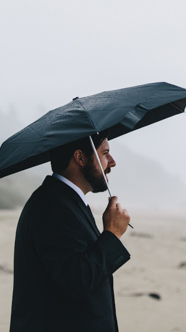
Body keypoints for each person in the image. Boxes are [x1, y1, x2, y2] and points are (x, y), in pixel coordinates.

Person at [9, 132, 132, 332]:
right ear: (80, 158)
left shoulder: (66, 201)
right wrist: (112, 235)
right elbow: (76, 280)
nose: (112, 161)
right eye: (105, 153)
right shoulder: (53, 206)